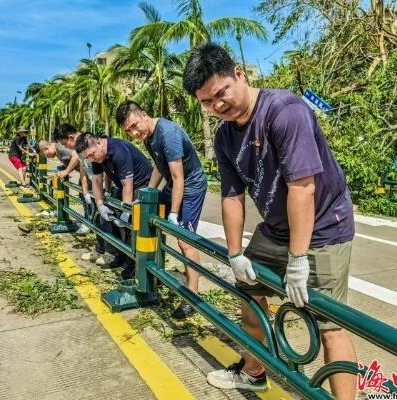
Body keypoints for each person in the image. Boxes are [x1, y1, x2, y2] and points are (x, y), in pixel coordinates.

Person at [182, 43, 357, 398]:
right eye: (207, 102)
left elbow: (303, 188)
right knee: (249, 292)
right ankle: (254, 371)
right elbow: (232, 196)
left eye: (221, 93)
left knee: (330, 326)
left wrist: (297, 259)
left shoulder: (284, 111)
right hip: (275, 228)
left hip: (323, 227)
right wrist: (235, 254)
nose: (217, 106)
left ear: (239, 76)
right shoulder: (225, 134)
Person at [116, 101, 208, 320]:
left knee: (185, 241)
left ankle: (193, 297)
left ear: (145, 115)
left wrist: (174, 213)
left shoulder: (168, 134)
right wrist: (149, 192)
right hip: (172, 185)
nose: (134, 133)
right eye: (129, 131)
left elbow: (179, 178)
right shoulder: (148, 137)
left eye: (135, 126)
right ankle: (153, 272)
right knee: (147, 219)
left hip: (191, 187)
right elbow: (159, 166)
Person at [74, 133, 153, 279]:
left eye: (92, 154)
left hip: (141, 186)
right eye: (88, 157)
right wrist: (99, 204)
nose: (93, 159)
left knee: (131, 226)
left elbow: (127, 185)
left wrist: (126, 210)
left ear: (98, 142)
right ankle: (120, 256)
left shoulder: (118, 151)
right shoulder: (96, 155)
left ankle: (134, 266)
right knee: (113, 221)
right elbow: (97, 180)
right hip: (124, 187)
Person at [52, 124, 115, 266]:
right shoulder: (79, 150)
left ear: (71, 137)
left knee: (107, 221)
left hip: (104, 186)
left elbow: (105, 170)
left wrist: (107, 191)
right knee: (96, 219)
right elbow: (83, 169)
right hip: (94, 188)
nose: (66, 148)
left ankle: (111, 253)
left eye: (65, 144)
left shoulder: (88, 144)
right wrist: (85, 191)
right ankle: (99, 249)